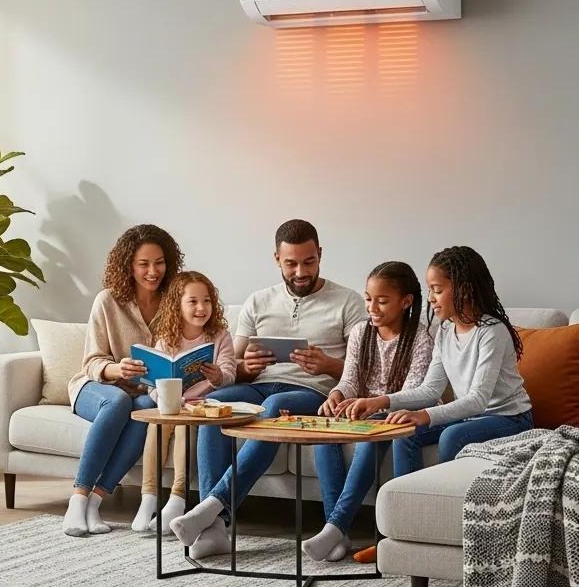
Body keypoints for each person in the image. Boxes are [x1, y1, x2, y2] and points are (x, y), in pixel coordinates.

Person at [170, 219, 365, 558]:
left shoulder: (347, 302)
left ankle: (213, 508)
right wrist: (249, 366)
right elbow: (236, 366)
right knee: (213, 403)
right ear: (277, 259)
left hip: (311, 392)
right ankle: (215, 530)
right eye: (291, 264)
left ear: (320, 254)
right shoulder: (258, 301)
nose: (300, 271)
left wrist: (328, 365)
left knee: (276, 404)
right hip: (258, 387)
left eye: (309, 261)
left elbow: (362, 368)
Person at [343, 245, 534, 481]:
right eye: (430, 290)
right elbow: (431, 389)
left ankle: (442, 502)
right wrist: (380, 401)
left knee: (451, 437)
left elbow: (478, 400)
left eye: (437, 289)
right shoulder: (445, 330)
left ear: (464, 290)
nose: (431, 298)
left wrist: (425, 415)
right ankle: (407, 511)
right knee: (405, 432)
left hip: (509, 418)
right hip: (470, 417)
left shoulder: (492, 332)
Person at [302, 261, 434, 563]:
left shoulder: (420, 338)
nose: (372, 307)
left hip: (395, 413)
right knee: (324, 431)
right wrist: (336, 395)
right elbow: (350, 380)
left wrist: (374, 403)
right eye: (368, 298)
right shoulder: (362, 332)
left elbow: (415, 393)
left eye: (382, 300)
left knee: (371, 436)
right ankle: (336, 531)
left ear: (406, 302)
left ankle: (335, 526)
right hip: (363, 412)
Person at [64, 224, 184, 537]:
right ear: (128, 265)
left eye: (159, 262)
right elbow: (91, 362)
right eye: (143, 264)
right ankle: (77, 501)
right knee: (118, 401)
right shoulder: (108, 301)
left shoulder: (174, 302)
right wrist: (117, 370)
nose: (153, 271)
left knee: (146, 409)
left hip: (142, 392)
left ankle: (96, 502)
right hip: (96, 389)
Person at [132, 271, 236, 535]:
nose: (201, 308)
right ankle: (148, 499)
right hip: (172, 404)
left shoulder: (220, 336)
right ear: (177, 305)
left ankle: (177, 500)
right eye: (193, 302)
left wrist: (218, 377)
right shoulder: (166, 339)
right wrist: (166, 399)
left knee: (183, 427)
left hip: (200, 407)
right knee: (157, 425)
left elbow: (230, 373)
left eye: (207, 301)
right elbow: (152, 384)